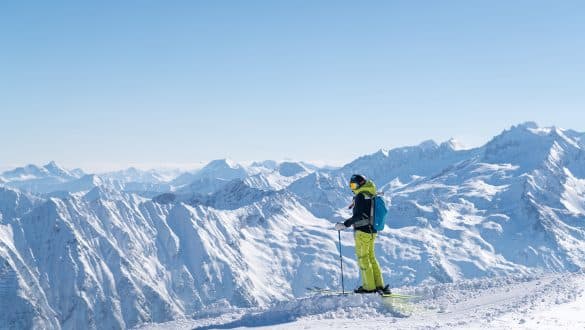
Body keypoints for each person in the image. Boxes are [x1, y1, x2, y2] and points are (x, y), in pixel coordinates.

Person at [335, 174, 391, 294]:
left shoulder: (361, 196)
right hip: (372, 231)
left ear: (360, 184)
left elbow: (359, 216)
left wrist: (345, 224)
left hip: (362, 232)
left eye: (354, 185)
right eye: (351, 185)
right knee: (371, 257)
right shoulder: (370, 194)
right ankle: (379, 285)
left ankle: (369, 287)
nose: (352, 188)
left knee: (363, 258)